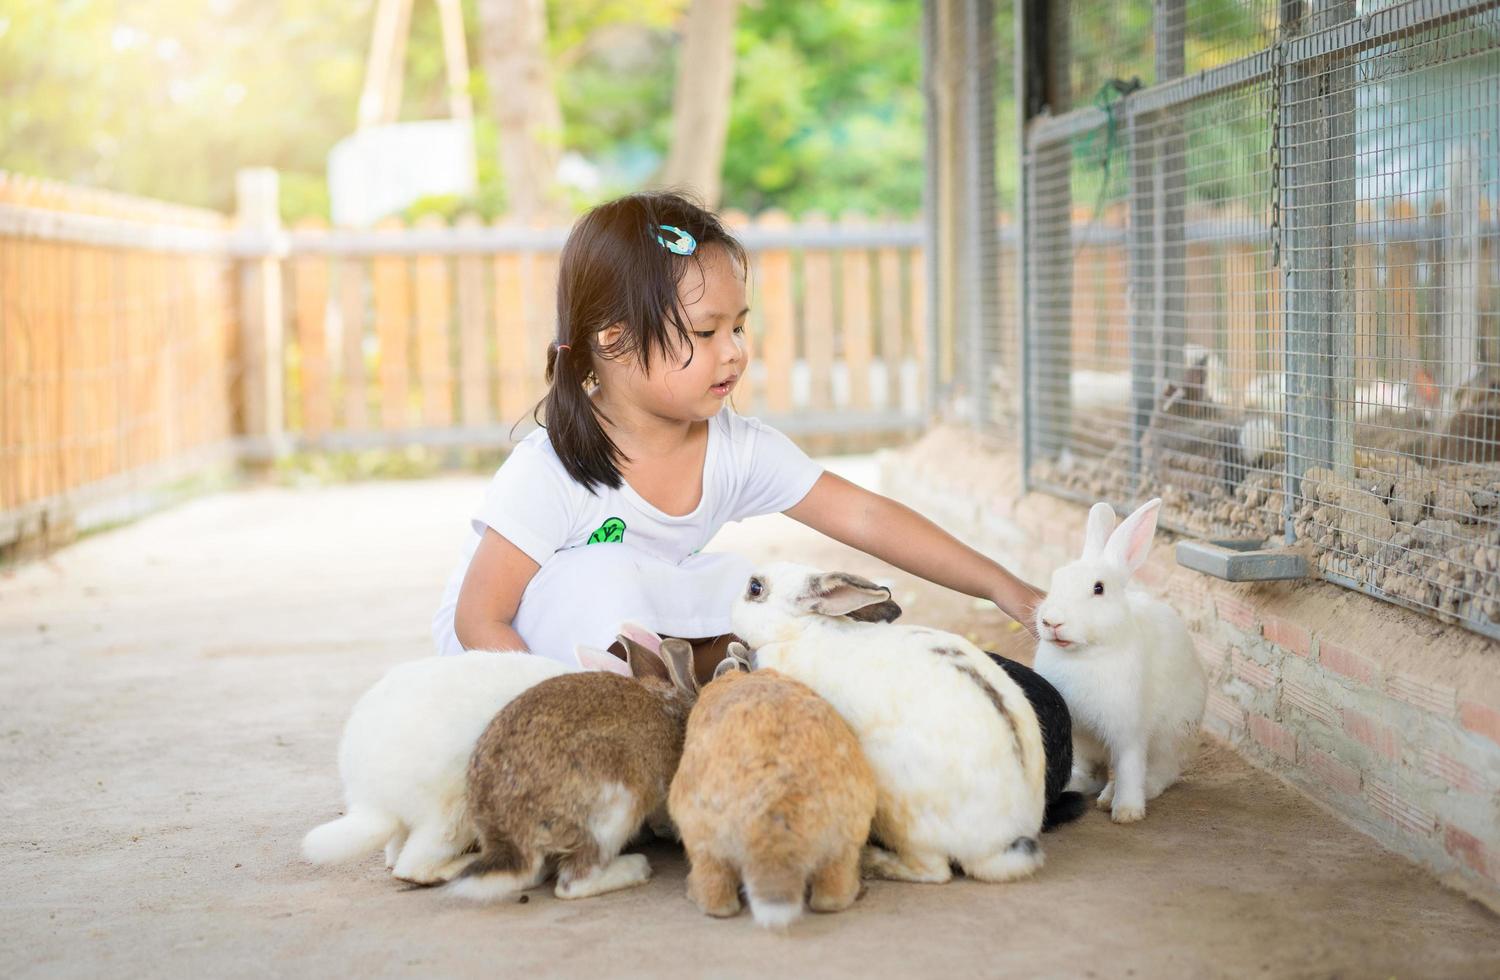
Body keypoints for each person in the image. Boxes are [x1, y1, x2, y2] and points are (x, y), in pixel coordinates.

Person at [431, 191, 1042, 678]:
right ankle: (651, 709)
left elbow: (864, 517)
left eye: (739, 327)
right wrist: (555, 721)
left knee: (743, 581)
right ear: (613, 339)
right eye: (704, 333)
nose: (734, 353)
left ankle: (694, 690)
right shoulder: (552, 469)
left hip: (626, 644)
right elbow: (478, 620)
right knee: (603, 572)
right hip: (513, 672)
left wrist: (1003, 588)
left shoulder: (735, 447)